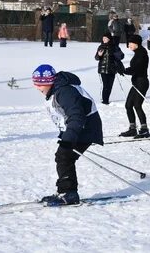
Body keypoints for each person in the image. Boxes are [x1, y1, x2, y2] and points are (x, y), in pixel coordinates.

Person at [32, 64, 103, 206]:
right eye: (35, 84)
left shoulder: (65, 92)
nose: (37, 88)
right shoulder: (57, 89)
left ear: (49, 82)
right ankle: (65, 191)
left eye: (40, 84)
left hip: (85, 129)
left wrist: (68, 139)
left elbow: (76, 116)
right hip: (77, 129)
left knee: (64, 156)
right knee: (64, 157)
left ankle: (69, 193)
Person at [119, 35, 150, 138]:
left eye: (130, 43)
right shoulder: (138, 53)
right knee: (128, 105)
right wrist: (122, 69)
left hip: (142, 82)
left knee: (137, 105)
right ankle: (132, 129)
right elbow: (133, 68)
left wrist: (124, 70)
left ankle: (144, 130)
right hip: (136, 82)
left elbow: (137, 69)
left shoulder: (142, 54)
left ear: (136, 43)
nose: (129, 45)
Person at [95, 32, 125, 105]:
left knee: (110, 85)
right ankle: (105, 101)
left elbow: (121, 56)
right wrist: (99, 55)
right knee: (105, 85)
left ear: (109, 39)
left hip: (112, 69)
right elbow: (96, 58)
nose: (104, 39)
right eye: (103, 38)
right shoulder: (101, 47)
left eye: (106, 38)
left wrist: (116, 54)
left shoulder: (115, 46)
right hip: (103, 69)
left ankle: (106, 99)